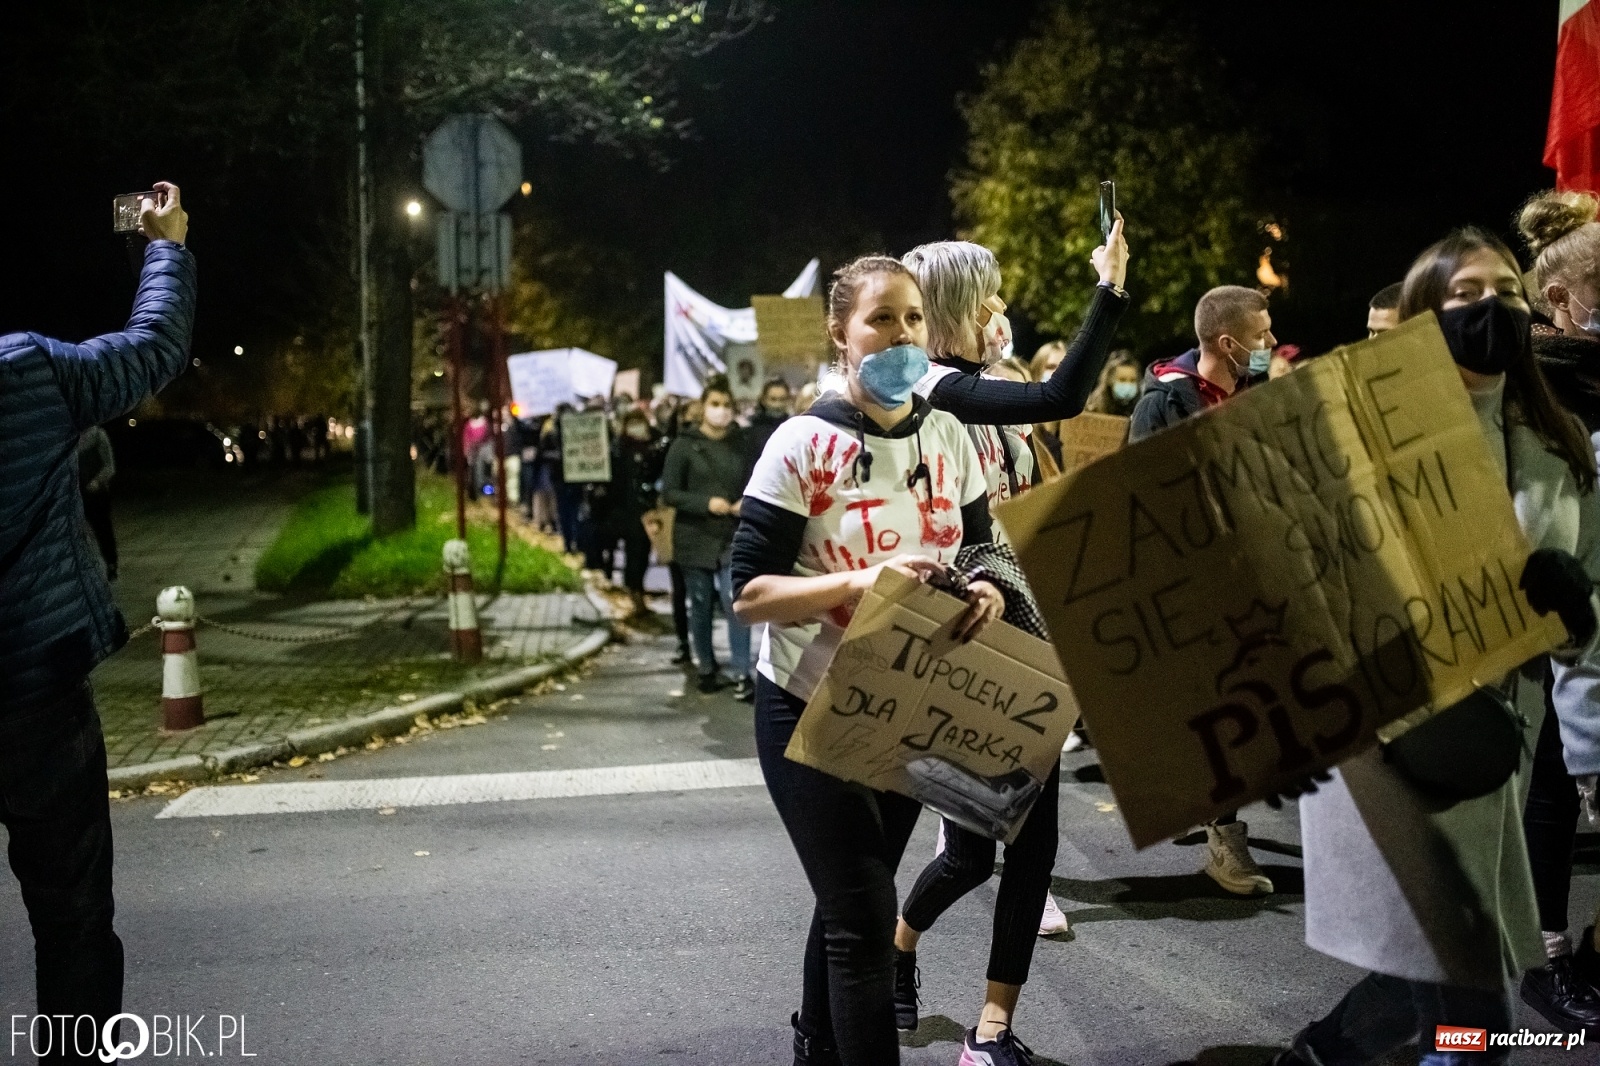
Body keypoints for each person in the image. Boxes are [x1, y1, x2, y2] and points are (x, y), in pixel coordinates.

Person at [1278, 227, 1600, 1065]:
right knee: (1463, 987)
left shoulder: (1557, 445)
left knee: (1430, 980)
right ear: (1423, 314)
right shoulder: (1354, 435)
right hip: (1387, 747)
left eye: (1507, 290)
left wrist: (1573, 611)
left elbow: (1583, 618)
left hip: (1493, 752)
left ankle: (1324, 1055)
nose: (1492, 306)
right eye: (1466, 293)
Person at [731, 255, 1003, 1066]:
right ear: (842, 334)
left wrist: (988, 589)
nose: (901, 334)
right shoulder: (801, 445)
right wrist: (859, 582)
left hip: (909, 705)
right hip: (808, 705)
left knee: (857, 890)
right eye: (881, 319)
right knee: (862, 918)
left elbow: (985, 546)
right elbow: (747, 593)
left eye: (913, 318)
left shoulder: (950, 435)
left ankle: (816, 1046)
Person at [893, 223, 1128, 1064]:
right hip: (959, 632)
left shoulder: (976, 387)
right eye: (988, 299)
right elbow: (1061, 397)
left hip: (1019, 621)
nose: (1002, 313)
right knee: (968, 857)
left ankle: (993, 1032)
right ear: (960, 307)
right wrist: (1110, 289)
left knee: (1033, 841)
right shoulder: (936, 387)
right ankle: (900, 945)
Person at [0, 182, 193, 1063]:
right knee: (71, 918)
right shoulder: (25, 372)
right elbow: (149, 351)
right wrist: (164, 248)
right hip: (35, 691)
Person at [1128, 285, 1280, 897]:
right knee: (1223, 708)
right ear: (1228, 342)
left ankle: (1212, 808)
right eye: (1263, 335)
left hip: (1249, 578)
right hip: (1191, 587)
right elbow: (1140, 498)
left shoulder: (1257, 393)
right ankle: (1226, 839)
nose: (1270, 345)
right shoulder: (1161, 405)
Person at [1514, 188, 1600, 1030]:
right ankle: (1549, 957)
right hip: (1551, 628)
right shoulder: (1533, 386)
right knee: (1548, 788)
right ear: (1561, 301)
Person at [661, 377, 754, 699]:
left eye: (727, 405)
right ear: (702, 407)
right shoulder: (684, 445)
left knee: (736, 603)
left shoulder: (742, 443)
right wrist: (704, 504)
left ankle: (742, 671)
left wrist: (747, 500)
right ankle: (706, 667)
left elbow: (758, 479)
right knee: (699, 604)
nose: (722, 412)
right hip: (695, 535)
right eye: (715, 404)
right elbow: (670, 492)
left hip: (733, 534)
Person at [609, 407, 666, 618]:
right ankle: (635, 592)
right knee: (635, 552)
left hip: (651, 508)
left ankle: (637, 591)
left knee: (645, 552)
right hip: (629, 509)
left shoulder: (655, 443)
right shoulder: (620, 447)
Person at [77, 426, 118, 582]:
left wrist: (97, 481)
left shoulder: (98, 435)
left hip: (97, 493)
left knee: (103, 529)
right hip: (77, 493)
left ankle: (111, 563)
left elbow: (109, 466)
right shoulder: (69, 436)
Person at [746, 376, 793, 470]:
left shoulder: (793, 428)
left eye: (782, 399)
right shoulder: (751, 430)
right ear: (764, 400)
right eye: (773, 399)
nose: (777, 405)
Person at [1082, 351, 1142, 417]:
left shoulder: (1139, 410)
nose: (1128, 385)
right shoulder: (1092, 407)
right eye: (1122, 380)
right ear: (1109, 379)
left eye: (1132, 380)